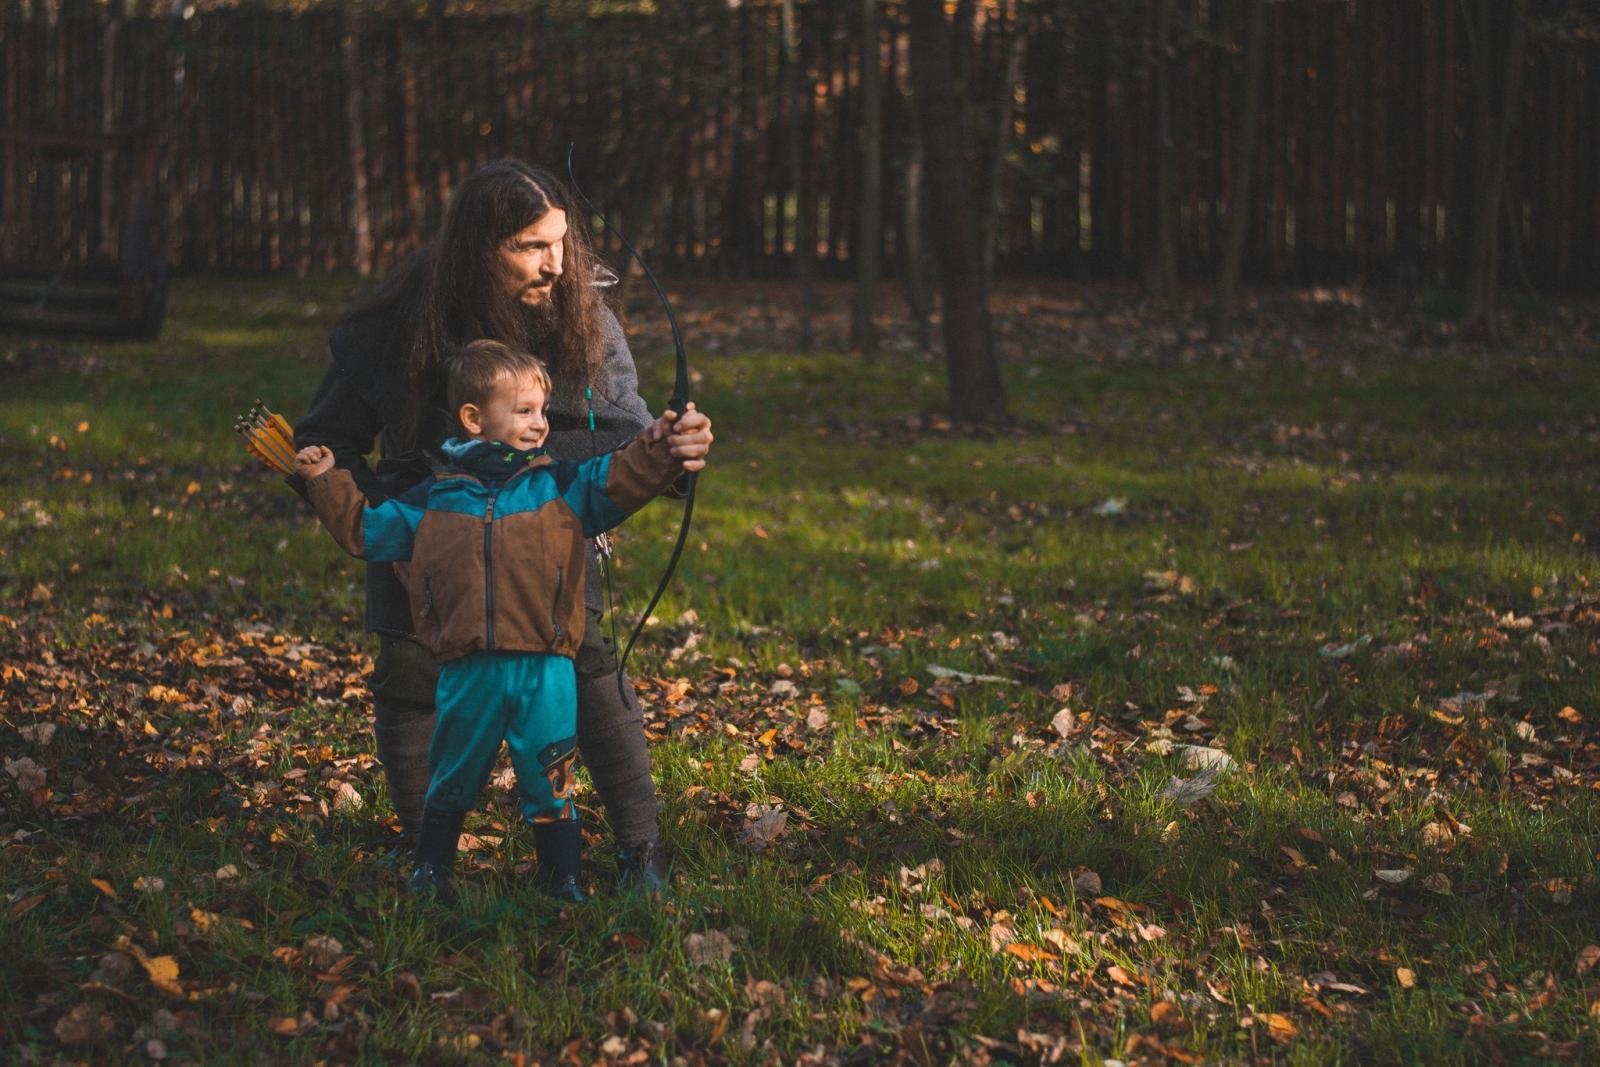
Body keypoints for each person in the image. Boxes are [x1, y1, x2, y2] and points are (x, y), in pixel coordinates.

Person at [293, 159, 709, 892]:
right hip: (429, 525)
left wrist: (672, 453)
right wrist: (397, 523)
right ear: (479, 248)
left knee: (585, 664)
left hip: (544, 524)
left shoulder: (580, 311)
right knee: (412, 669)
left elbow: (626, 430)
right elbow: (327, 435)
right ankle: (427, 852)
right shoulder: (407, 311)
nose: (556, 265)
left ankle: (640, 851)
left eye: (560, 243)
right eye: (530, 247)